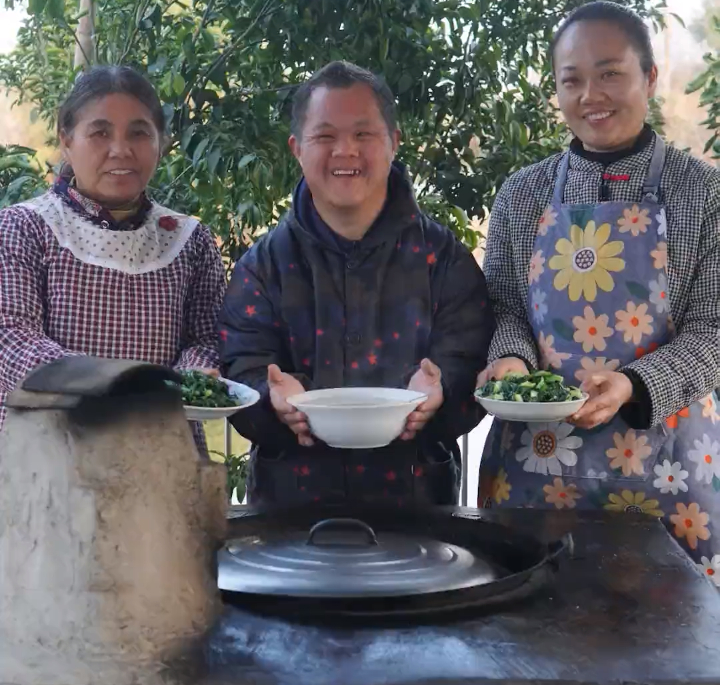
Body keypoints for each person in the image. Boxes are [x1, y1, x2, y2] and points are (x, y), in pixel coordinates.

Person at [477, 1, 720, 579]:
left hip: (669, 471)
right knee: (530, 631)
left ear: (649, 77)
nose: (592, 95)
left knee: (670, 646)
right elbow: (506, 307)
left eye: (610, 73)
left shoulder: (704, 193)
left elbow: (714, 329)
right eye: (573, 80)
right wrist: (509, 358)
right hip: (534, 472)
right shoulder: (522, 193)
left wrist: (633, 384)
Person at [219, 60, 493, 506]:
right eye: (325, 136)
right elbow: (240, 368)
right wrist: (272, 398)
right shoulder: (263, 265)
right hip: (289, 512)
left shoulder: (443, 259)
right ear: (297, 148)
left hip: (418, 505)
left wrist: (443, 389)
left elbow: (472, 362)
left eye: (363, 134)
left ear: (393, 143)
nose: (345, 150)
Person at [0, 65, 225, 436]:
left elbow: (208, 338)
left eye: (139, 133)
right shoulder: (24, 228)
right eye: (100, 132)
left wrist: (193, 378)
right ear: (67, 141)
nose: (120, 150)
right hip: (46, 456)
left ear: (161, 143)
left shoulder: (188, 240)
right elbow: (11, 339)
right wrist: (121, 387)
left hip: (162, 453)